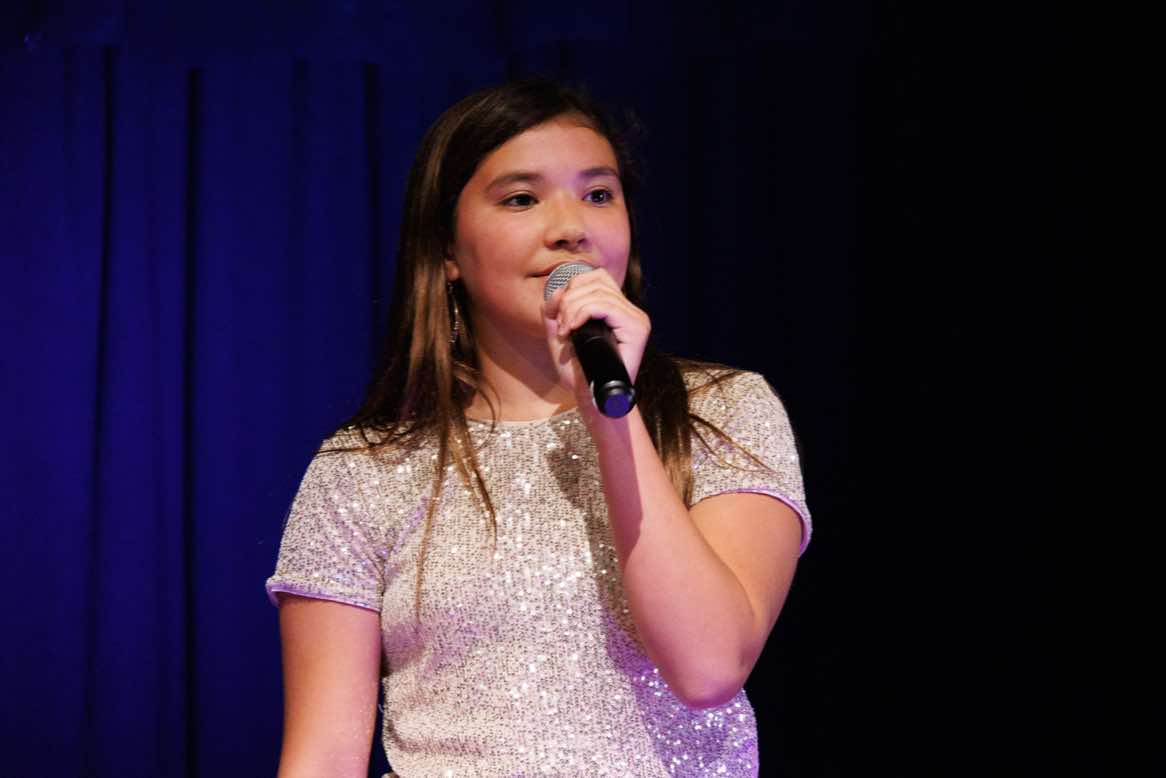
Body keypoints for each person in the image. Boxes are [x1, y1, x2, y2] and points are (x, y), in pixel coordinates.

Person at [265, 78, 812, 778]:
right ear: (446, 250)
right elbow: (322, 757)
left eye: (599, 194)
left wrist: (610, 416)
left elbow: (708, 667)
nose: (570, 227)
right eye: (522, 199)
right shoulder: (363, 469)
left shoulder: (723, 412)